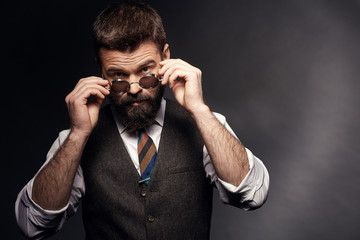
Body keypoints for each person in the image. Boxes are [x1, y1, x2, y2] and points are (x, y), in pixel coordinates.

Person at [15, 2, 269, 239]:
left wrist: (200, 110)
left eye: (146, 72)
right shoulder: (77, 139)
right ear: (101, 72)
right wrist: (78, 135)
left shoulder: (204, 125)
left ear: (165, 58)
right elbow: (32, 224)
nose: (134, 88)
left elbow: (252, 194)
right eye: (119, 77)